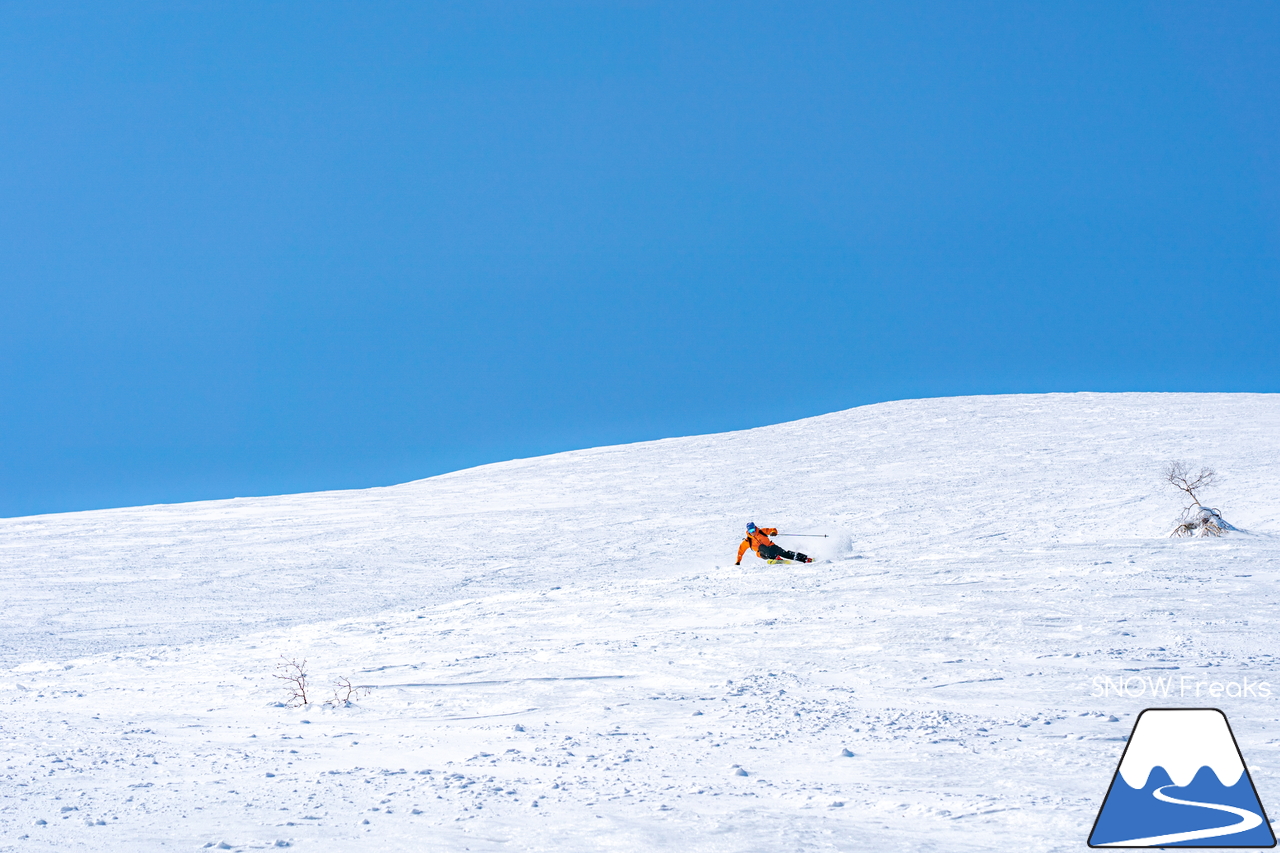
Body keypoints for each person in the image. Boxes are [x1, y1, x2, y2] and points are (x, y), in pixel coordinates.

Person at [735, 522, 812, 565]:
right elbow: (740, 551)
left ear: (755, 528)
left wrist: (773, 532)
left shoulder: (762, 531)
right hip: (762, 553)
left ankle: (805, 558)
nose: (753, 532)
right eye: (751, 531)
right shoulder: (747, 541)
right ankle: (775, 557)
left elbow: (773, 529)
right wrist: (738, 561)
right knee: (761, 546)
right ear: (748, 531)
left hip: (771, 547)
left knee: (784, 553)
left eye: (753, 529)